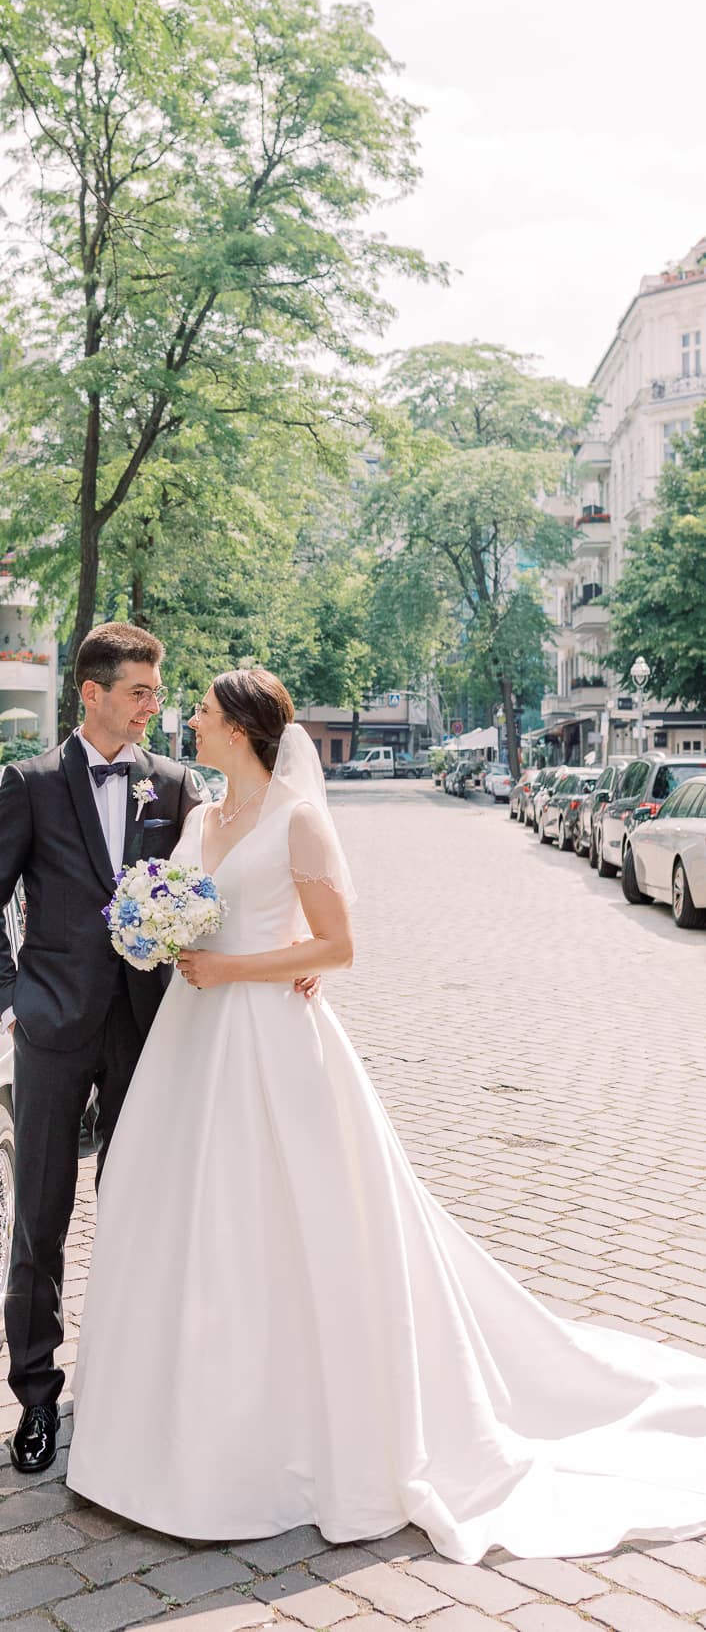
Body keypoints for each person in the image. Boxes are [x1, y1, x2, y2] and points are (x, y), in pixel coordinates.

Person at [67, 668, 706, 1563]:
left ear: (244, 728)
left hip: (271, 1036)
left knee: (297, 1222)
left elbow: (338, 943)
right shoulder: (203, 816)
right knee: (182, 1215)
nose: (192, 723)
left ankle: (300, 1438)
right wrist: (161, 934)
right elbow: (195, 912)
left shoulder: (298, 817)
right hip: (193, 1037)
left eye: (205, 714)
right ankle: (172, 1430)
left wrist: (236, 967)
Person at [0, 622, 204, 1475]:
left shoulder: (172, 786)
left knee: (139, 1209)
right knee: (41, 1218)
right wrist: (10, 1000)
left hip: (146, 1031)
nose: (153, 706)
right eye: (139, 691)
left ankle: (128, 1386)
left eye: (155, 692)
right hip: (52, 1030)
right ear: (91, 693)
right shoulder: (28, 785)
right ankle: (34, 1397)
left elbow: (203, 897)